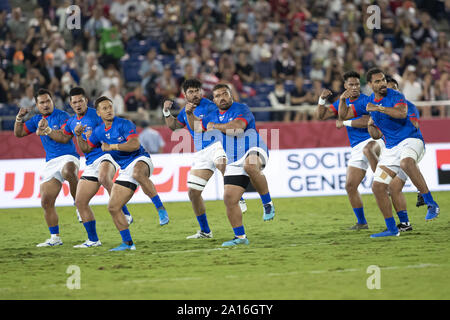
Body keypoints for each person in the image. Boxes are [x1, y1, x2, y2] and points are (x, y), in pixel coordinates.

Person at [38, 87, 134, 248]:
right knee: (80, 202)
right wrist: (47, 130)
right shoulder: (71, 122)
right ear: (70, 104)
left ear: (86, 101)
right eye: (74, 102)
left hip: (107, 155)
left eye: (80, 100)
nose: (77, 104)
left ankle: (125, 212)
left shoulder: (96, 113)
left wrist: (98, 133)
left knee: (104, 177)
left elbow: (112, 125)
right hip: (90, 162)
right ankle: (93, 240)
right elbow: (63, 137)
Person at [78, 96, 169, 251]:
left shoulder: (124, 123)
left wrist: (112, 147)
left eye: (110, 107)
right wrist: (79, 135)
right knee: (113, 207)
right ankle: (127, 243)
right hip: (125, 169)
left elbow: (134, 144)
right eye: (104, 108)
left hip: (141, 159)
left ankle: (160, 209)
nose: (109, 110)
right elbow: (86, 148)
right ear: (99, 113)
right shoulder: (98, 131)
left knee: (138, 174)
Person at [163, 79, 246, 240]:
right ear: (185, 94)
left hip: (217, 143)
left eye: (197, 91)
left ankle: (239, 197)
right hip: (201, 153)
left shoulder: (210, 106)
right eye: (191, 92)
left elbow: (199, 128)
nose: (195, 94)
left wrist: (189, 114)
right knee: (193, 193)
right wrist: (167, 112)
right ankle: (205, 231)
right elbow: (175, 127)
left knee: (221, 162)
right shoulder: (185, 110)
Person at [365, 68, 440, 238]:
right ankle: (393, 228)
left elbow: (401, 113)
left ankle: (431, 203)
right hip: (391, 149)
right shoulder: (370, 103)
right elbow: (377, 134)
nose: (382, 83)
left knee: (406, 163)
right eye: (377, 81)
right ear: (370, 85)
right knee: (378, 187)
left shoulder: (396, 95)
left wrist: (378, 108)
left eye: (383, 79)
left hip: (410, 140)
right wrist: (370, 125)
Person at [199, 84, 275, 246]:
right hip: (234, 157)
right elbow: (195, 127)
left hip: (253, 148)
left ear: (231, 95)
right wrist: (188, 113)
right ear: (214, 100)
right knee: (229, 198)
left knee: (250, 166)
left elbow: (238, 128)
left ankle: (267, 203)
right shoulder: (211, 116)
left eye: (225, 94)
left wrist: (215, 127)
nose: (222, 97)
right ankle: (240, 238)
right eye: (218, 95)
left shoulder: (241, 108)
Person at [315, 71, 385, 230]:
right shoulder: (342, 103)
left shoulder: (367, 100)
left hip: (373, 139)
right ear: (345, 86)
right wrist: (322, 100)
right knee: (350, 186)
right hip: (356, 147)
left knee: (369, 150)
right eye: (351, 85)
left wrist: (345, 123)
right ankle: (362, 223)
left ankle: (382, 182)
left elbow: (369, 120)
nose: (354, 87)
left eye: (357, 84)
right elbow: (321, 115)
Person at [14, 89, 80, 247]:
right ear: (37, 105)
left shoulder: (63, 116)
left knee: (69, 171)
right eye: (42, 102)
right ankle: (55, 238)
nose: (45, 105)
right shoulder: (36, 119)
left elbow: (65, 138)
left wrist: (47, 130)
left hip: (68, 157)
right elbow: (19, 133)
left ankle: (79, 204)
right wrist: (19, 118)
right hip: (51, 163)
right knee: (46, 201)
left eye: (48, 101)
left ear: (53, 101)